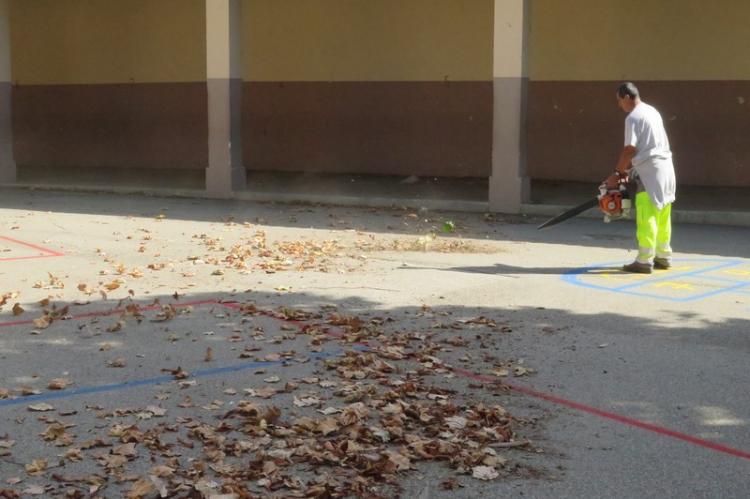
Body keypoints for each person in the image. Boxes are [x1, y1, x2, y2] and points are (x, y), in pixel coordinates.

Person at [606, 82, 676, 274]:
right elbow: (649, 148)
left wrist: (617, 174)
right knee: (663, 213)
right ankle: (663, 255)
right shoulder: (652, 111)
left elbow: (630, 149)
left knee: (647, 214)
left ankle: (644, 260)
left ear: (627, 97)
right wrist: (629, 173)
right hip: (666, 168)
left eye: (619, 101)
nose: (619, 105)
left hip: (650, 173)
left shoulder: (633, 118)